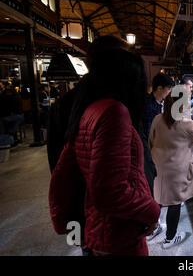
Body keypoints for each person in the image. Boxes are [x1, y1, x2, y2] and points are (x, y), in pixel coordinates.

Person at [49, 48, 160, 256]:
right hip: (120, 234)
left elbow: (61, 175)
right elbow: (110, 192)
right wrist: (152, 211)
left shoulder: (89, 110)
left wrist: (64, 222)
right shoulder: (114, 112)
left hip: (100, 230)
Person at [46, 36, 132, 257]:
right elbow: (60, 166)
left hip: (101, 214)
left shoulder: (75, 100)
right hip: (102, 215)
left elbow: (57, 163)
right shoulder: (113, 105)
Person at [149, 91, 193, 249]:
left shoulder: (157, 119)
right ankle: (170, 239)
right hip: (178, 170)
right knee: (174, 203)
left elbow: (150, 141)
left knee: (158, 198)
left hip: (160, 166)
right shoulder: (186, 123)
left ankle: (155, 227)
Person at [142, 73, 174, 241]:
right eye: (168, 89)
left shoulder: (158, 103)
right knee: (152, 188)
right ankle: (152, 225)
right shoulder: (148, 106)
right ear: (159, 88)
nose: (169, 93)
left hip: (157, 153)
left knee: (156, 188)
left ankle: (154, 223)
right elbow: (149, 136)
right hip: (151, 154)